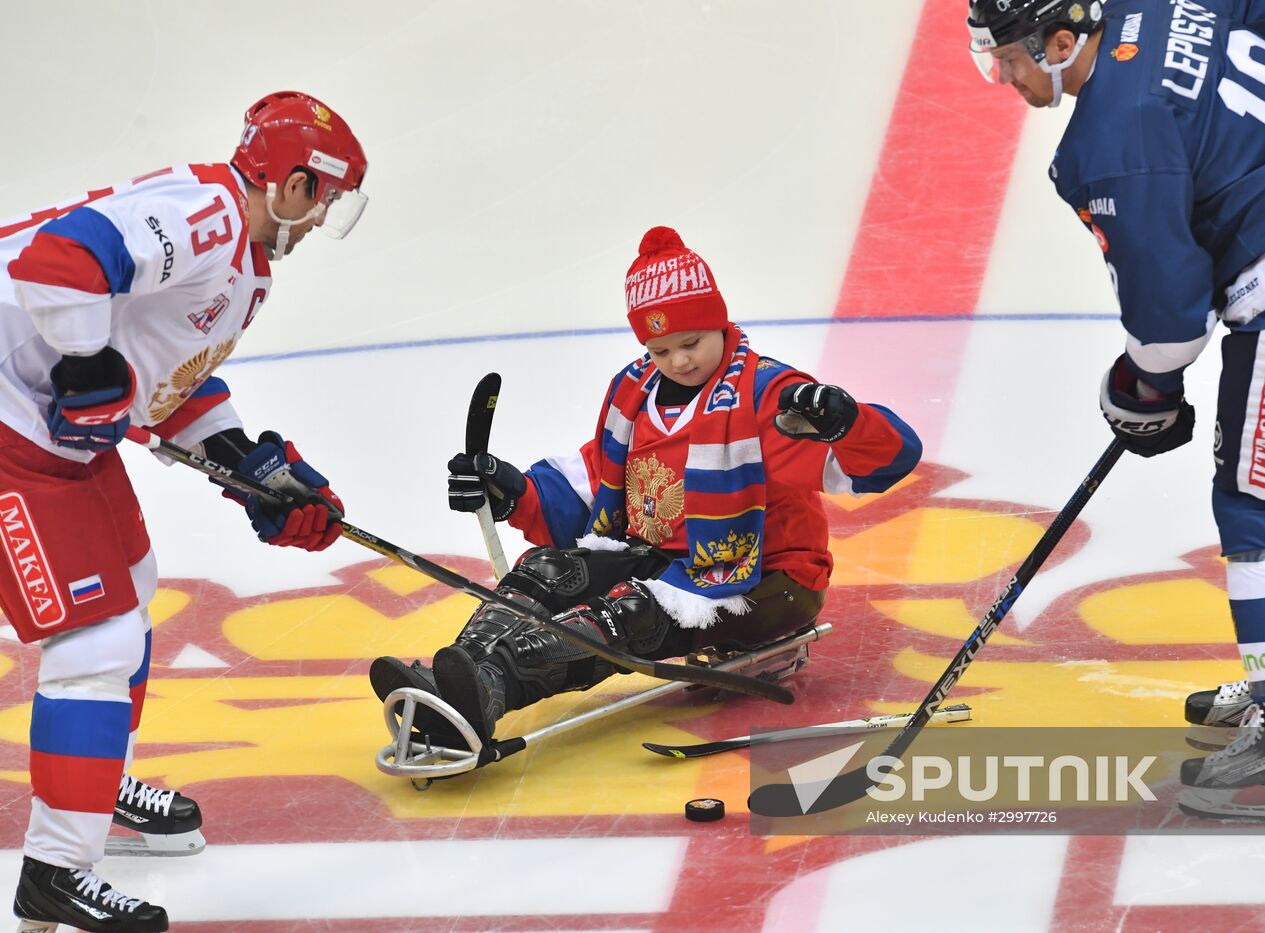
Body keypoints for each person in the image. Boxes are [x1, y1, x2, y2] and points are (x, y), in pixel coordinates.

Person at [966, 0, 1265, 818]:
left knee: (1258, 498)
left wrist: (1142, 391)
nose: (1004, 76)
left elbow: (1169, 323)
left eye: (1011, 58)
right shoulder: (1149, 6)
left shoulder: (1109, 144)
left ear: (1061, 42)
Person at [2, 91, 368, 932]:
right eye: (326, 198)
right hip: (11, 421)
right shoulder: (208, 215)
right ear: (294, 184)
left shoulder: (243, 257)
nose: (323, 218)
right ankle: (56, 869)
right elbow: (59, 260)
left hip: (43, 422)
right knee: (95, 637)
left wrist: (251, 466)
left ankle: (93, 785)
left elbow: (164, 379)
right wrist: (87, 363)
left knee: (132, 585)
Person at [371, 226, 922, 747]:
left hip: (767, 577)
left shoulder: (761, 395)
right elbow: (596, 481)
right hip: (667, 558)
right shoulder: (636, 394)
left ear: (720, 323)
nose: (678, 361)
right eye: (660, 350)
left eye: (692, 342)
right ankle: (457, 677)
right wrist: (513, 492)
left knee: (626, 612)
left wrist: (846, 423)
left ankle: (492, 688)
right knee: (546, 569)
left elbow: (876, 463)